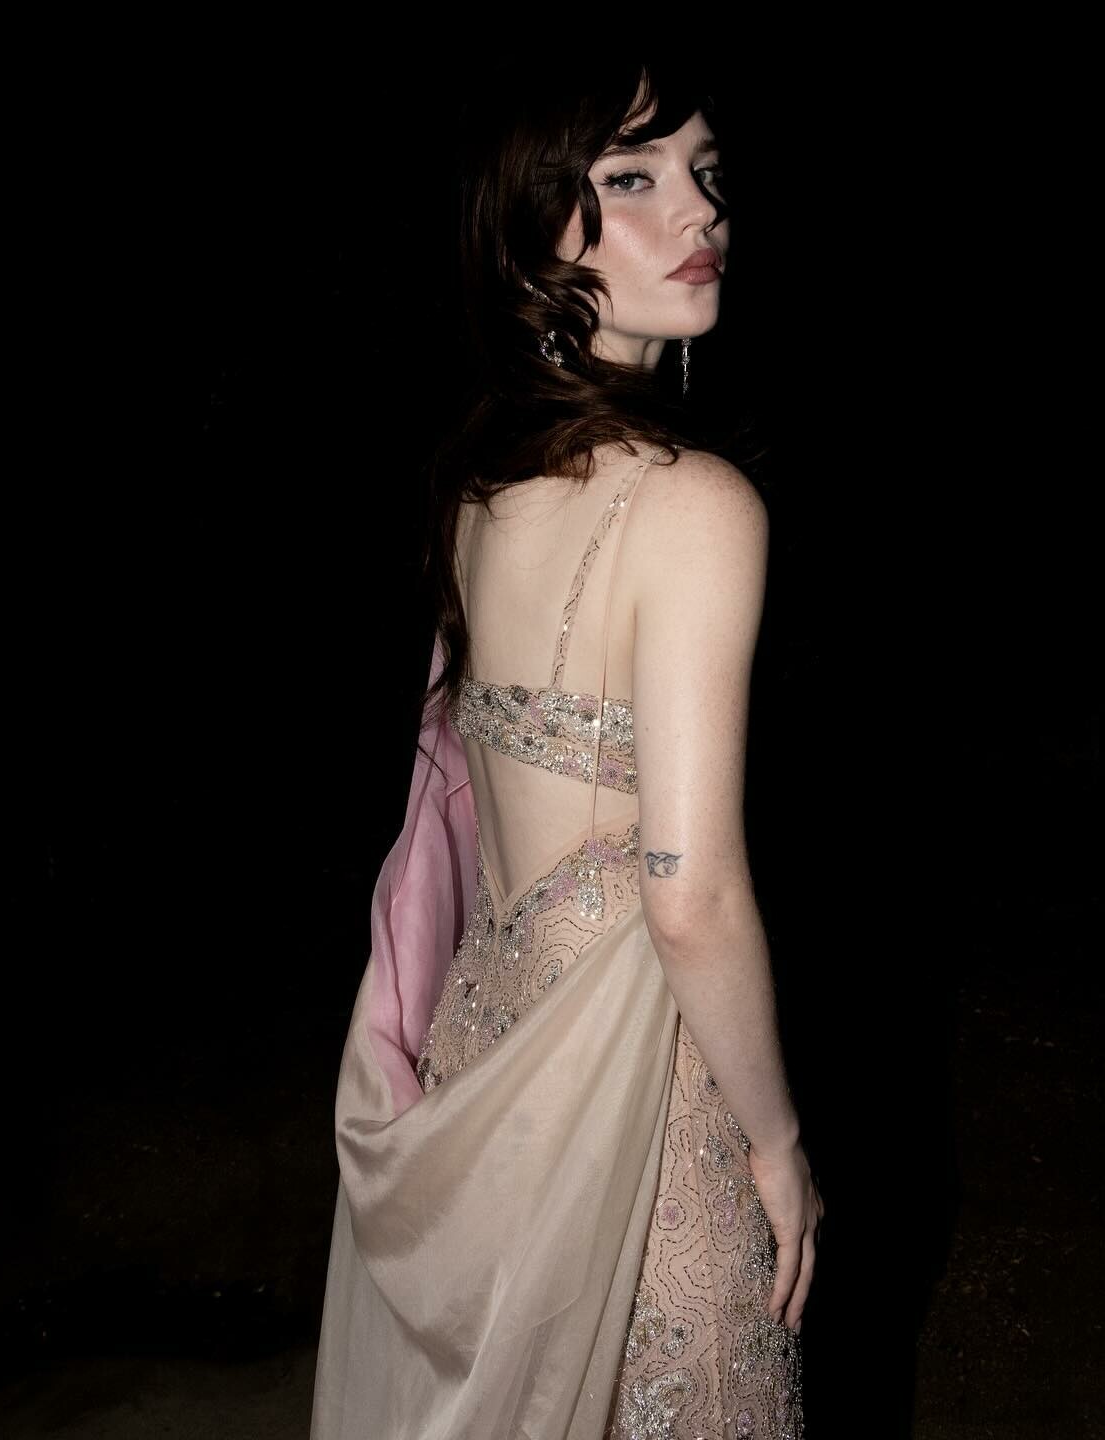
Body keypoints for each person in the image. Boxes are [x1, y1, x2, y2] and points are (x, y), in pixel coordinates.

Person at [310, 57, 823, 1440]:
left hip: (489, 1056)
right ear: (531, 228)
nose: (698, 211)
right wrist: (779, 1145)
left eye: (706, 171)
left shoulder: (481, 483)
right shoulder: (699, 507)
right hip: (642, 1089)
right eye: (631, 178)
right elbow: (688, 893)